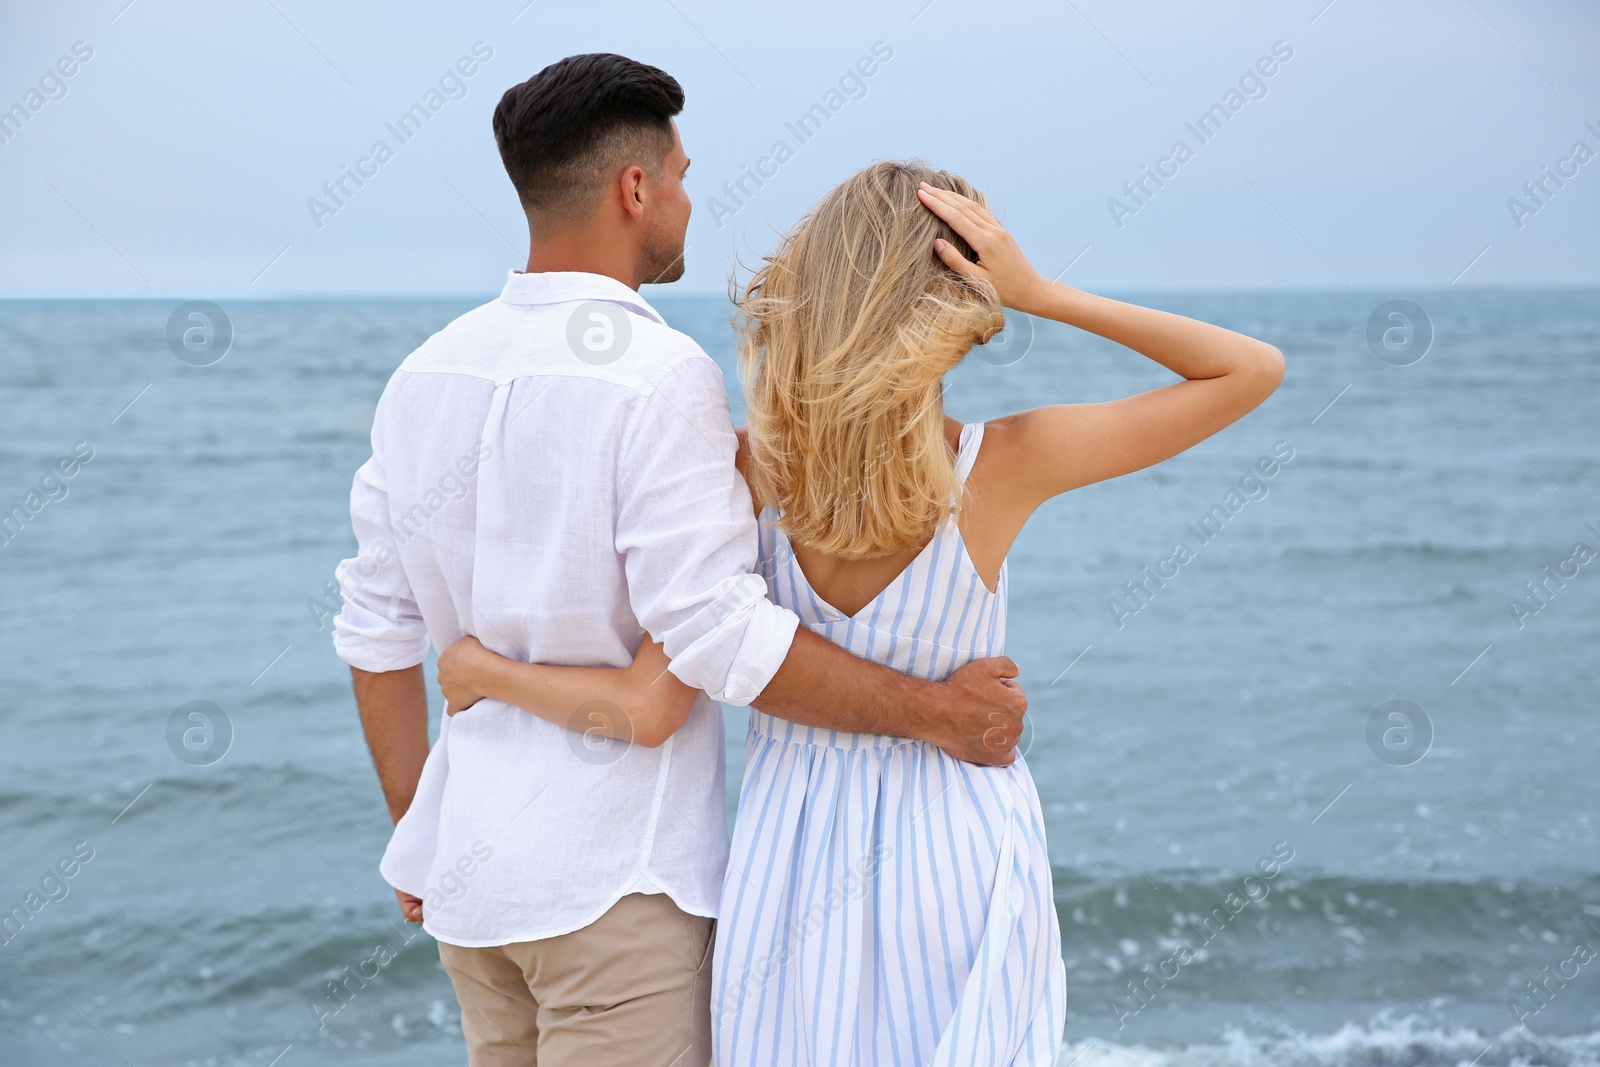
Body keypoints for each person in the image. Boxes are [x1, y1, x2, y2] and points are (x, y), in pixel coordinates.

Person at [442, 162, 1285, 1064]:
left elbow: (653, 641)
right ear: (954, 300)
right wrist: (1040, 292)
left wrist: (479, 673)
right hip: (951, 834)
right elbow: (1248, 369)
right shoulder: (1005, 464)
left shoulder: (749, 467)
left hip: (788, 853)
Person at [331, 57, 1026, 1067]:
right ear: (634, 189)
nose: (692, 203)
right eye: (685, 176)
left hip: (473, 892)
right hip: (618, 890)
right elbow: (715, 636)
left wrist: (420, 827)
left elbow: (377, 629)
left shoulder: (423, 374)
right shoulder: (657, 377)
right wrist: (938, 713)